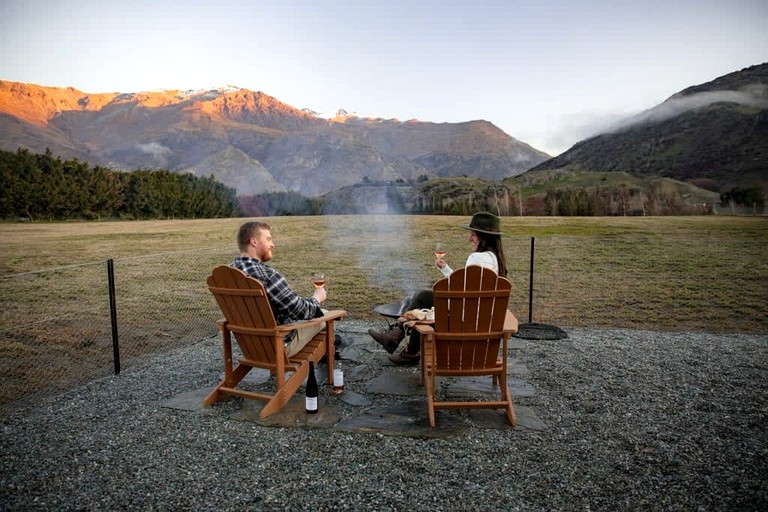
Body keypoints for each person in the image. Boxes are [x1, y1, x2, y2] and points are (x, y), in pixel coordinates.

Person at [368, 212, 508, 365]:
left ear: (483, 237)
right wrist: (445, 269)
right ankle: (402, 344)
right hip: (479, 316)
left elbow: (461, 290)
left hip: (463, 318)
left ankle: (401, 342)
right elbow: (467, 285)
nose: (470, 239)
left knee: (422, 297)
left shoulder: (477, 258)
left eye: (473, 235)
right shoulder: (494, 258)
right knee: (424, 296)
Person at [232, 221, 328, 357]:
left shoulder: (231, 271)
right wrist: (317, 297)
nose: (273, 244)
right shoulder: (267, 276)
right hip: (278, 346)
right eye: (268, 239)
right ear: (254, 242)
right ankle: (324, 361)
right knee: (325, 316)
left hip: (249, 346)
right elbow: (301, 311)